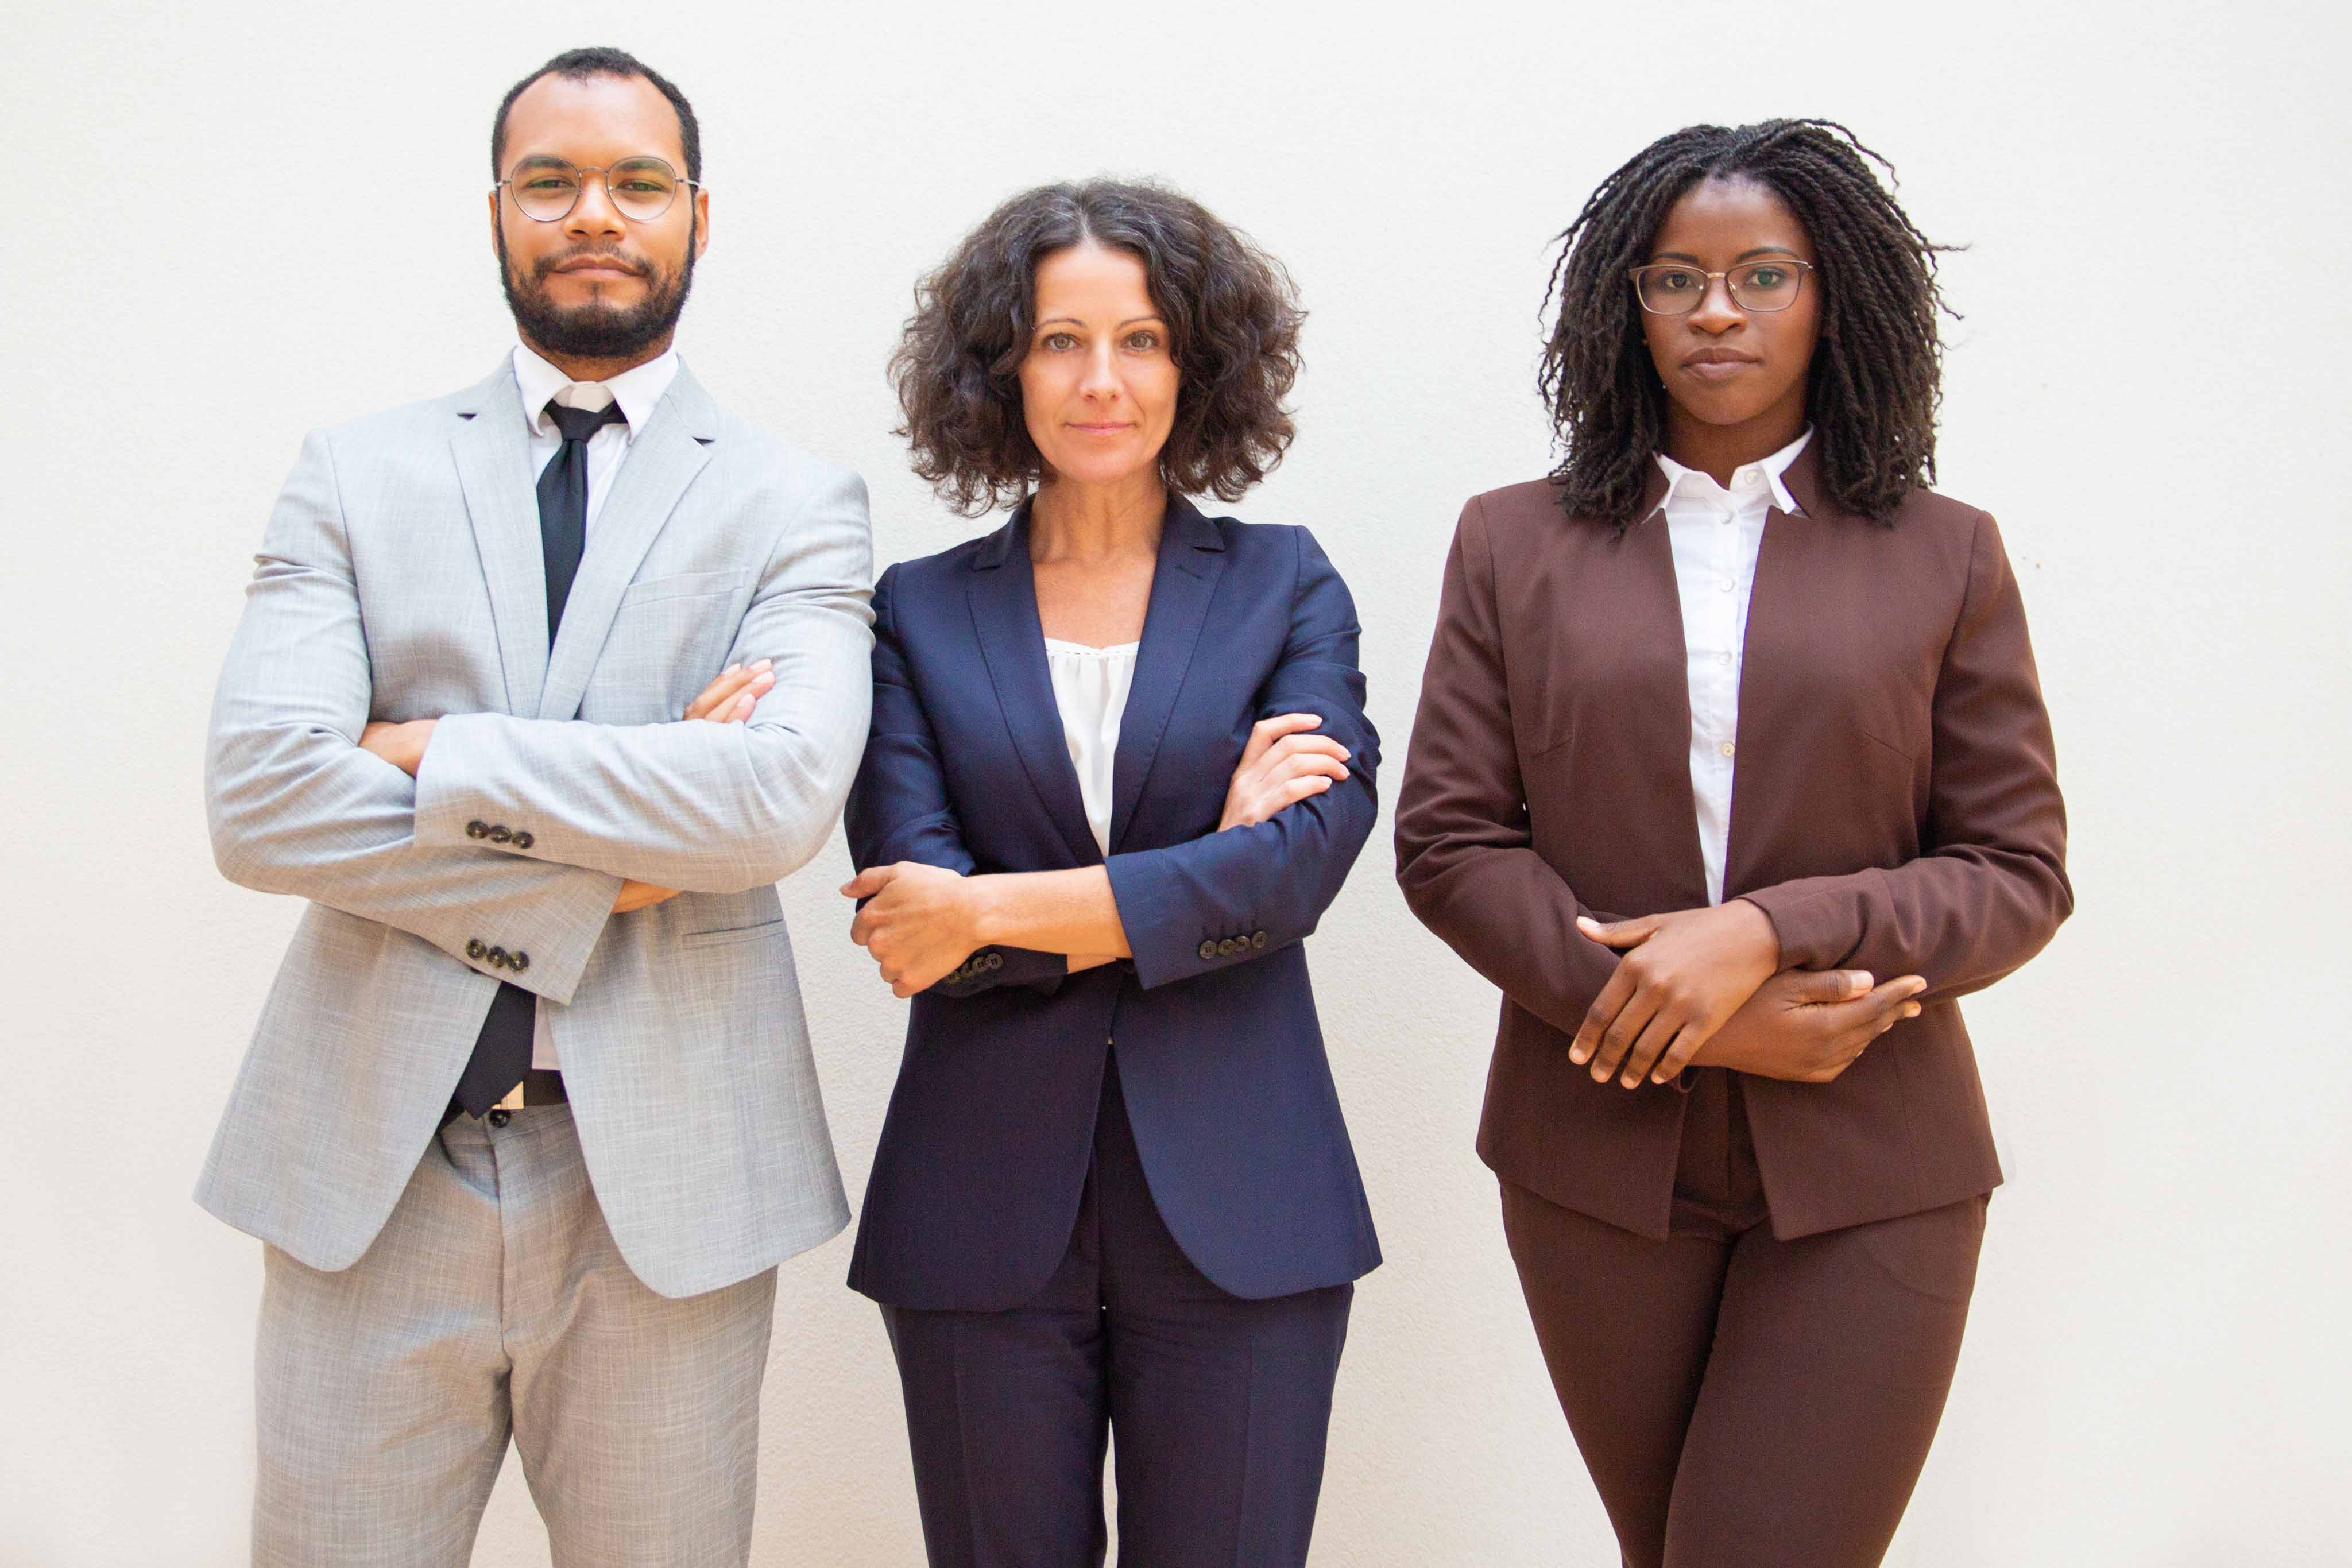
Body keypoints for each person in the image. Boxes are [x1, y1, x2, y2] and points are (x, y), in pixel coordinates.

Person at [198, 47, 873, 1565]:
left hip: (669, 1191)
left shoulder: (795, 501)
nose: (594, 214)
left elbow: (770, 802)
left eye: (636, 182)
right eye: (550, 180)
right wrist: (619, 863)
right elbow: (259, 800)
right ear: (496, 209)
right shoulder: (354, 476)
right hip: (369, 1168)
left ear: (697, 212)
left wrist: (423, 749)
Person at [1394, 119, 2071, 1568]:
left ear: (1833, 299)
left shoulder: (1942, 551)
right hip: (1592, 1160)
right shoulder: (1512, 543)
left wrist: (1768, 931)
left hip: (1871, 1163)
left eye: (1762, 275)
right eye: (1673, 278)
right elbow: (1451, 843)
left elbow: (2014, 873)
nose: (1715, 309)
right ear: (1621, 306)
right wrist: (1690, 1023)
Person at [840, 179, 1380, 1567]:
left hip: (1245, 1211)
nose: (1099, 380)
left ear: (1196, 362)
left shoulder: (1285, 585)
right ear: (998, 365)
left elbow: (1298, 876)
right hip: (977, 1210)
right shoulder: (912, 610)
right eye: (1057, 339)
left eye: (1139, 340)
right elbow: (916, 927)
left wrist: (994, 903)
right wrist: (1204, 868)